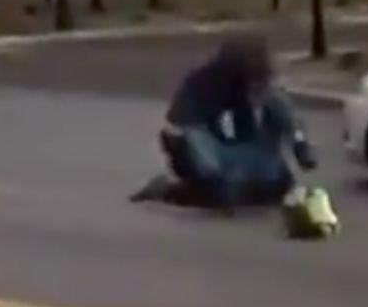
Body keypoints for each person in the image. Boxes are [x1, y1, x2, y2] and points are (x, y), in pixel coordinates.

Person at [133, 37, 317, 210]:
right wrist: (212, 171)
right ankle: (166, 189)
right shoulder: (202, 86)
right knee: (219, 192)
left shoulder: (262, 91)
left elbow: (287, 118)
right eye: (254, 80)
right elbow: (185, 129)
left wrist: (300, 147)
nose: (258, 86)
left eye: (261, 80)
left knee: (275, 186)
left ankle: (246, 182)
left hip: (231, 148)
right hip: (193, 146)